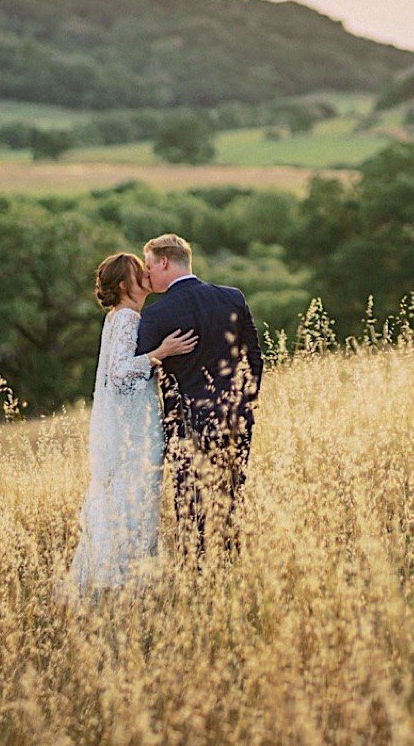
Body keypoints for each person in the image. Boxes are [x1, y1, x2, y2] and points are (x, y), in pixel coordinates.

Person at [64, 252, 197, 595]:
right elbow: (120, 374)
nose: (147, 275)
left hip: (127, 421)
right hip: (133, 426)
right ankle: (124, 579)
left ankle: (119, 576)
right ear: (125, 284)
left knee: (126, 497)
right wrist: (162, 352)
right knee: (133, 497)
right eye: (140, 272)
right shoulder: (126, 319)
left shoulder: (119, 317)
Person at [134, 233, 263, 558]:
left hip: (186, 424)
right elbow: (255, 358)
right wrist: (244, 402)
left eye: (149, 266)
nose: (146, 275)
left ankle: (199, 573)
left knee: (190, 503)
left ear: (164, 261)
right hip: (237, 418)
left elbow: (139, 374)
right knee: (232, 494)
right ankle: (232, 563)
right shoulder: (232, 297)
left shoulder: (157, 314)